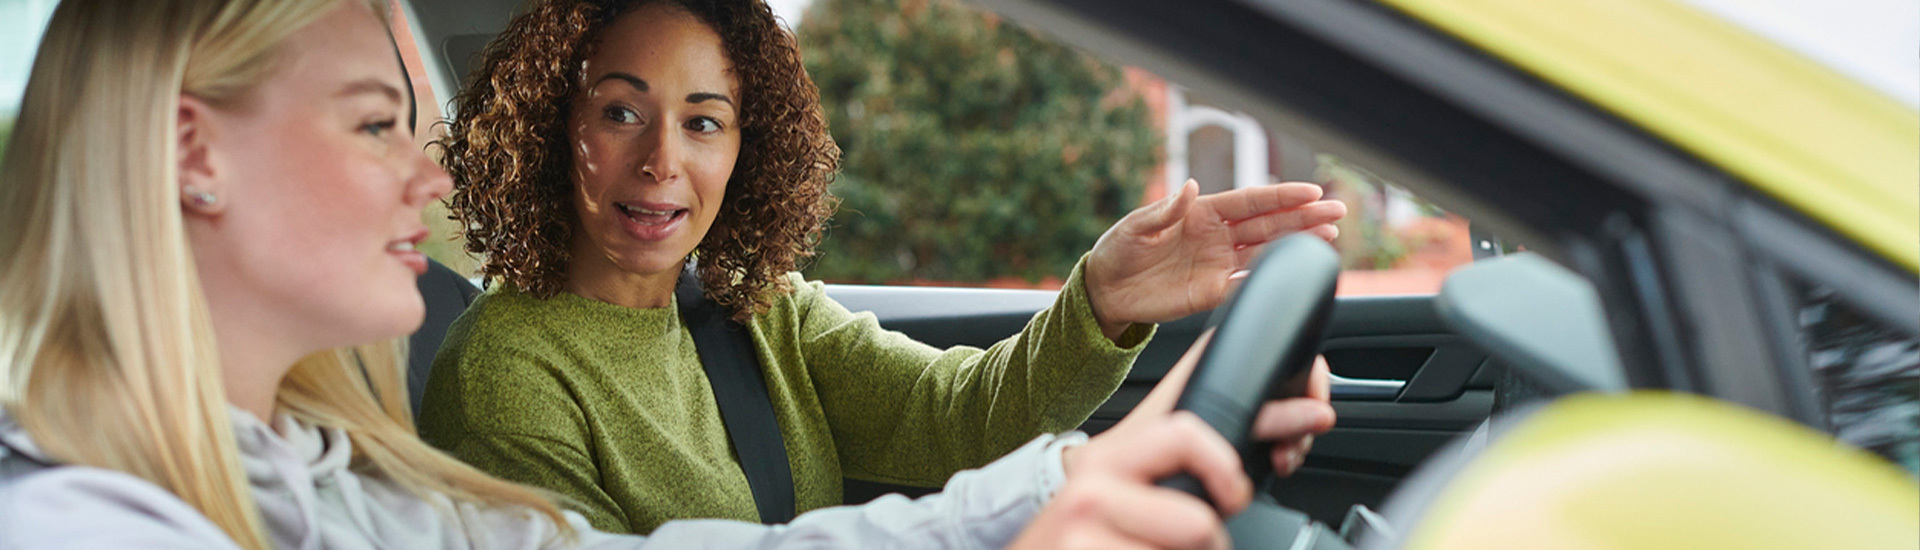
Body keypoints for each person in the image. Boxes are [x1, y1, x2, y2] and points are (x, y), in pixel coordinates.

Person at [0, 0, 1334, 548]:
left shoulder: (358, 488)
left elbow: (929, 429)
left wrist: (1071, 434)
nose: (424, 173)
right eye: (373, 121)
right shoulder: (84, 522)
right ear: (191, 152)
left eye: (705, 120)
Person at [419, 0, 1345, 533]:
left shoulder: (756, 311)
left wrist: (1100, 302)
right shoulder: (504, 374)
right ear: (552, 128)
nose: (663, 159)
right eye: (622, 112)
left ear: (747, 151)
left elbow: (961, 422)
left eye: (703, 121)